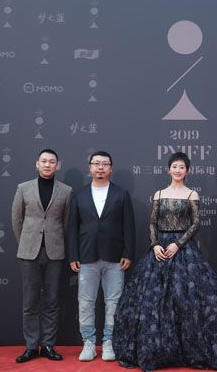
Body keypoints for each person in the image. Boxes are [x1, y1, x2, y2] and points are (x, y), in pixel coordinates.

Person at [113, 152, 217, 371]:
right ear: (168, 169)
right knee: (153, 301)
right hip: (159, 250)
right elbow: (152, 223)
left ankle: (191, 349)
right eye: (175, 167)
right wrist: (155, 245)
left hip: (183, 249)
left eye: (182, 167)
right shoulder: (159, 194)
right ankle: (158, 350)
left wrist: (177, 244)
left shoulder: (192, 194)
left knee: (188, 299)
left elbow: (195, 224)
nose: (178, 170)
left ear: (187, 171)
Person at [67, 150, 136, 362]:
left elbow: (129, 227)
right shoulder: (78, 195)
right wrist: (73, 254)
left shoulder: (121, 194)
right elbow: (72, 228)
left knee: (113, 302)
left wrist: (128, 253)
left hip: (115, 257)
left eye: (104, 164)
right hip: (86, 256)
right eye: (96, 163)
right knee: (85, 302)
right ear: (90, 167)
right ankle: (88, 342)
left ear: (110, 168)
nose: (100, 167)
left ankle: (108, 342)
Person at [11, 149, 72, 363]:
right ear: (37, 163)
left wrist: (56, 241)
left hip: (55, 252)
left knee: (52, 302)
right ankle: (30, 347)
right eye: (44, 161)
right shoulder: (23, 188)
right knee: (30, 302)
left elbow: (66, 223)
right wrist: (26, 242)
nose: (47, 165)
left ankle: (47, 345)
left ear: (58, 165)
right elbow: (16, 220)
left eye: (51, 161)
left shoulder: (66, 191)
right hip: (29, 252)